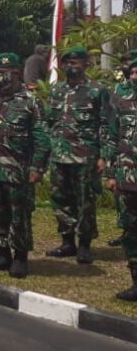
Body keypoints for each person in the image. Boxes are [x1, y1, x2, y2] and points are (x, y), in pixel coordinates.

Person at [0, 52, 50, 279]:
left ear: (16, 74)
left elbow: (42, 139)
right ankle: (2, 253)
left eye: (4, 73)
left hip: (19, 173)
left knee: (20, 217)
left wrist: (37, 168)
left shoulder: (31, 102)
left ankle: (20, 258)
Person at [45, 46, 109, 265]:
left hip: (85, 156)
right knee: (60, 200)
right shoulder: (56, 91)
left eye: (75, 63)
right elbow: (49, 122)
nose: (70, 67)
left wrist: (103, 156)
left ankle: (84, 245)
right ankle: (67, 242)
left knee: (85, 202)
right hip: (59, 155)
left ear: (85, 64)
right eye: (67, 63)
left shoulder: (97, 91)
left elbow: (105, 124)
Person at [105, 55, 137, 300]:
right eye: (134, 71)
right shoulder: (120, 98)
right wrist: (111, 173)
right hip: (127, 177)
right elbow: (112, 136)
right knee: (130, 230)